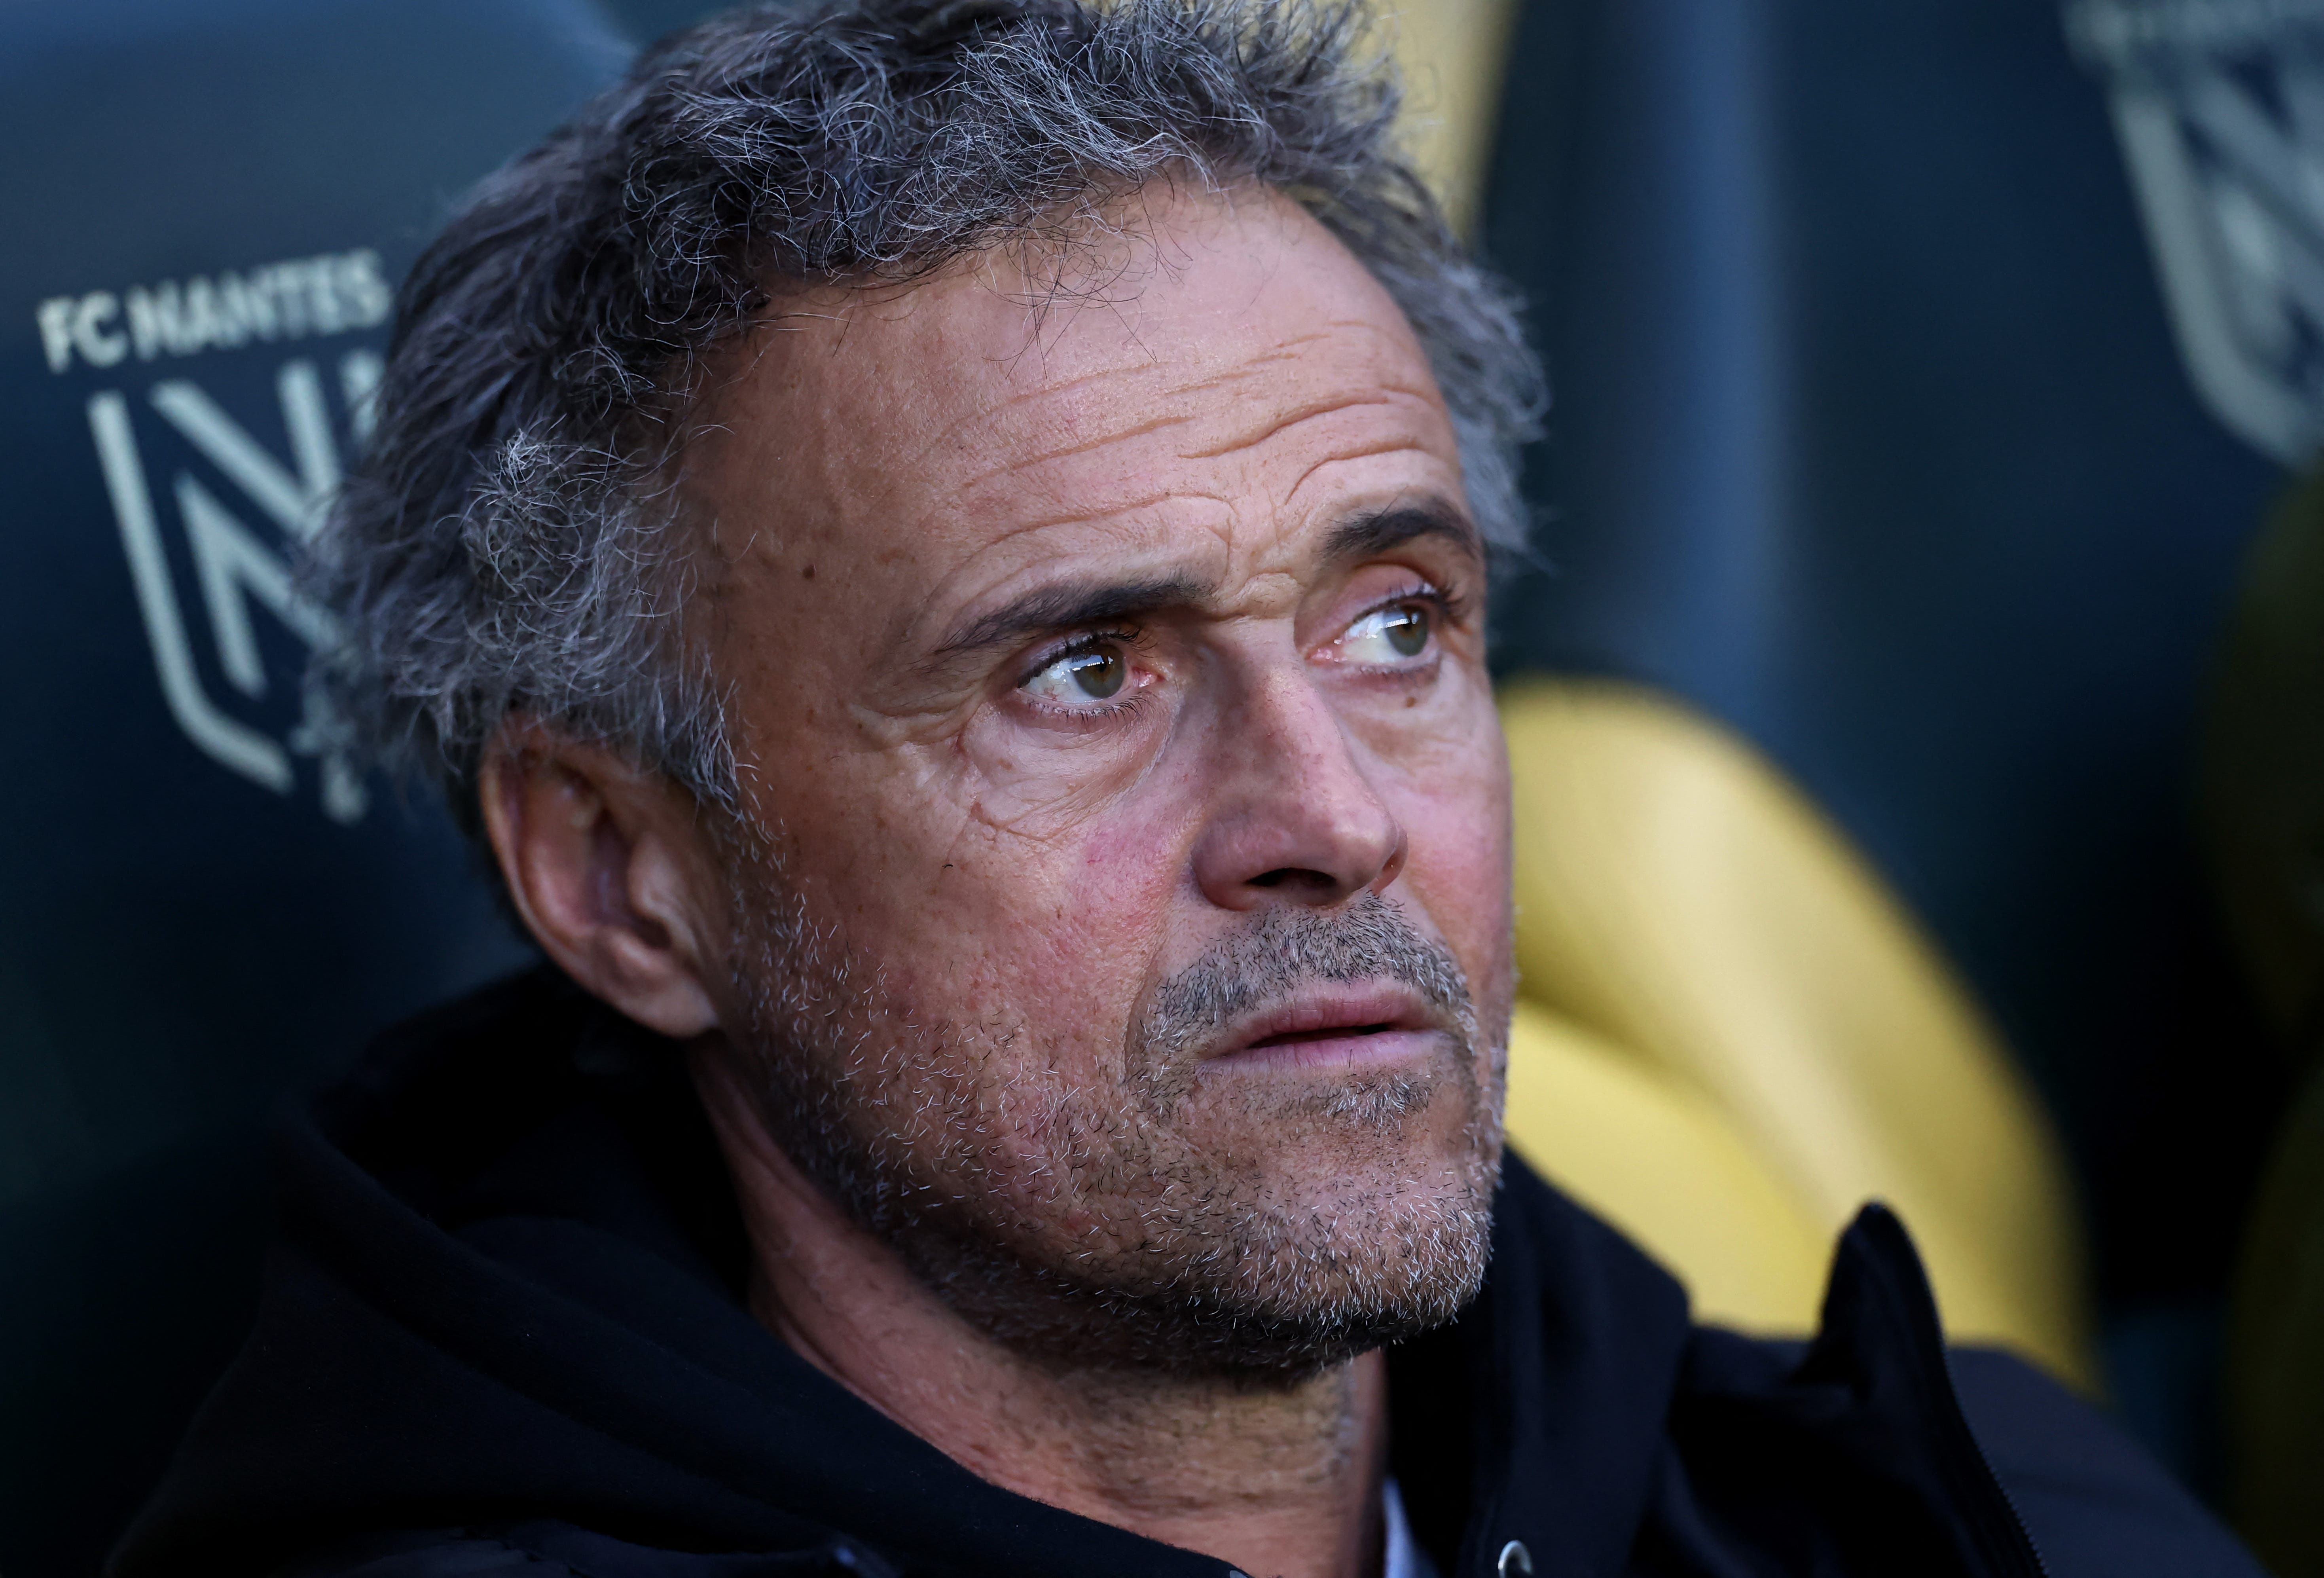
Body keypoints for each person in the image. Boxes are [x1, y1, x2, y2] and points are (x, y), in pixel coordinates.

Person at [113, 2, 2260, 1575]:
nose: (1335, 817)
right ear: (617, 874)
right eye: (1082, 673)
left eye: (1396, 626)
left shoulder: (1952, 1490)